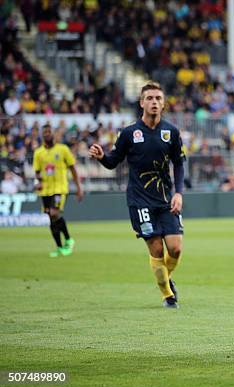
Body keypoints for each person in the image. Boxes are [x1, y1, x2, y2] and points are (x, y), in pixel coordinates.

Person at [88, 81, 185, 309]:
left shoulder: (171, 132)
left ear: (163, 104)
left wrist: (179, 193)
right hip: (140, 201)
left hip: (165, 198)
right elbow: (113, 162)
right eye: (149, 98)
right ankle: (168, 296)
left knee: (176, 248)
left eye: (158, 99)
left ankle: (165, 278)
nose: (154, 102)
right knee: (157, 249)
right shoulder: (129, 133)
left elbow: (180, 164)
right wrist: (102, 156)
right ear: (142, 102)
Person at [33, 124, 84, 257]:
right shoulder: (38, 153)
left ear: (53, 134)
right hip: (45, 190)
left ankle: (68, 239)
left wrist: (79, 188)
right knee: (51, 217)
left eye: (49, 132)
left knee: (54, 213)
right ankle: (60, 247)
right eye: (44, 133)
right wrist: (37, 183)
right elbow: (37, 173)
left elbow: (73, 168)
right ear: (42, 135)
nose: (47, 134)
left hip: (60, 188)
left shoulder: (62, 149)